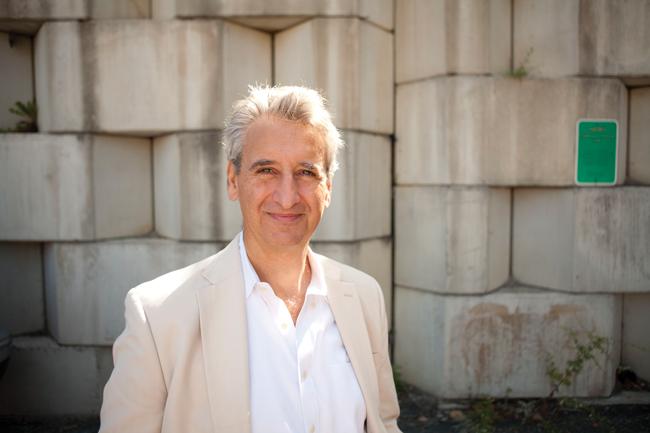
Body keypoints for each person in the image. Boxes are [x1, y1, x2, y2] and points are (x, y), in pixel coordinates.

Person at [99, 85, 401, 433]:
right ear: (233, 181)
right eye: (266, 170)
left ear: (328, 187)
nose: (287, 197)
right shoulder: (157, 315)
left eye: (306, 172)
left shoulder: (364, 296)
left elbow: (384, 423)